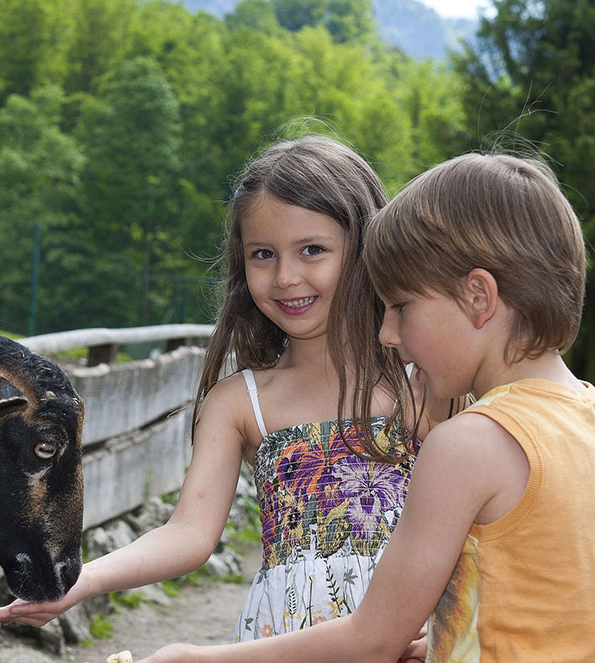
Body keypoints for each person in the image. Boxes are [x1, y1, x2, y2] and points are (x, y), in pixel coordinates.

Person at [0, 135, 446, 645]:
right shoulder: (238, 403)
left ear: (364, 250)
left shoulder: (423, 386)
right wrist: (80, 581)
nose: (286, 276)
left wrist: (448, 624)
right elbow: (189, 534)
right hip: (282, 642)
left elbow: (478, 527)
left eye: (312, 250)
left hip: (415, 634)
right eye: (263, 254)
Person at [135, 151, 595, 662]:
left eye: (400, 306)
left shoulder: (466, 440)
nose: (387, 331)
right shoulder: (581, 421)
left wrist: (191, 658)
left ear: (478, 298)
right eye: (262, 253)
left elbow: (374, 640)